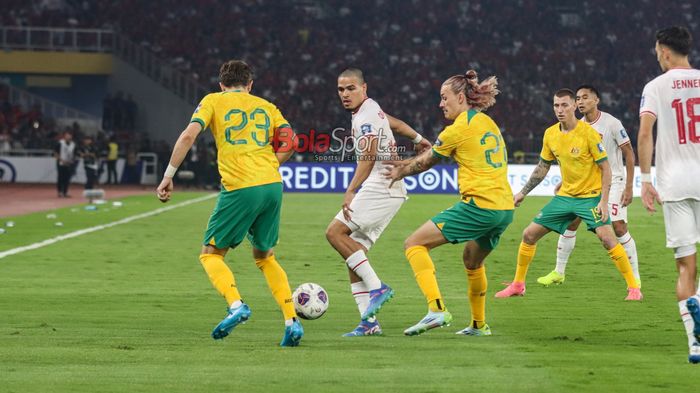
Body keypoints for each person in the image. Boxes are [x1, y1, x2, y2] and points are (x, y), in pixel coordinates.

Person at [156, 60, 303, 347]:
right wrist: (271, 163)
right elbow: (293, 142)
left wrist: (168, 176)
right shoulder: (267, 106)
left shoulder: (213, 100)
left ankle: (236, 305)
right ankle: (291, 321)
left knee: (211, 254)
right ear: (250, 85)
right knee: (265, 256)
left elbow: (188, 135)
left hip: (240, 186)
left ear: (222, 84)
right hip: (272, 185)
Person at [385, 69, 513, 336]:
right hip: (503, 208)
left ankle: (436, 309)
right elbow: (431, 154)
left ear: (460, 97)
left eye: (444, 98)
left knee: (414, 243)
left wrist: (400, 171)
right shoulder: (486, 123)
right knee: (472, 261)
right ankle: (479, 325)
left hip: (480, 206)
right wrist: (407, 163)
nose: (440, 104)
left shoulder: (458, 129)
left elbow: (428, 161)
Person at [495, 89, 642, 301]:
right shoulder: (550, 134)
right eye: (556, 105)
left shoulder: (590, 133)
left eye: (565, 105)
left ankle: (633, 288)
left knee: (608, 238)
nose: (560, 110)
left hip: (590, 197)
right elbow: (542, 167)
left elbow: (606, 168)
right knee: (528, 235)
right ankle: (518, 285)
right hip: (564, 198)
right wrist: (522, 193)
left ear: (574, 106)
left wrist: (603, 200)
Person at [325, 68, 431, 337]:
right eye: (340, 89)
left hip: (381, 186)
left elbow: (369, 155)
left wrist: (350, 190)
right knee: (353, 254)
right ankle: (368, 322)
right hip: (388, 189)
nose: (345, 94)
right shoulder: (371, 109)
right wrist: (417, 138)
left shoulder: (366, 116)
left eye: (351, 88)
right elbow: (392, 122)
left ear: (364, 88)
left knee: (335, 233)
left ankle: (377, 287)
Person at [637, 26, 700, 363]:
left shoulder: (655, 87)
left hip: (674, 184)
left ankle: (694, 341)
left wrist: (645, 179)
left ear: (663, 50)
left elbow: (646, 133)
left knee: (685, 267)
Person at [538, 85, 641, 287]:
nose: (581, 101)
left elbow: (629, 153)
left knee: (618, 227)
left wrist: (629, 186)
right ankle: (559, 272)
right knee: (571, 223)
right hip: (588, 185)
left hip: (614, 181)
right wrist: (565, 181)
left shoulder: (611, 123)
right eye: (578, 98)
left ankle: (635, 277)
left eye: (585, 97)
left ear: (596, 100)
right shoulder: (576, 125)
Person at [55, 131, 75, 197]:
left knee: (67, 178)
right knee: (60, 177)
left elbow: (74, 154)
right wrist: (61, 160)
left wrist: (71, 161)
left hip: (69, 163)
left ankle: (65, 192)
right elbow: (56, 153)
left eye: (69, 135)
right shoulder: (60, 143)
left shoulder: (73, 144)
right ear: (64, 136)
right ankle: (60, 191)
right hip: (61, 162)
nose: (68, 137)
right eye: (67, 135)